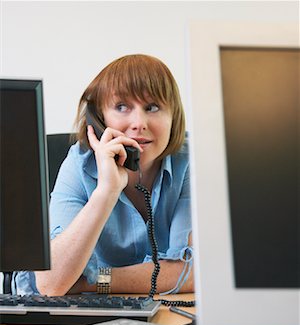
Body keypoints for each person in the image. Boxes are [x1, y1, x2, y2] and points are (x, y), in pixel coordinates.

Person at [15, 54, 194, 297]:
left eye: (152, 107)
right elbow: (51, 283)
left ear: (174, 117)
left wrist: (91, 281)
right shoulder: (79, 165)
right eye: (122, 107)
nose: (139, 123)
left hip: (156, 313)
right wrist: (106, 192)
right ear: (98, 119)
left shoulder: (191, 162)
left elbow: (191, 273)